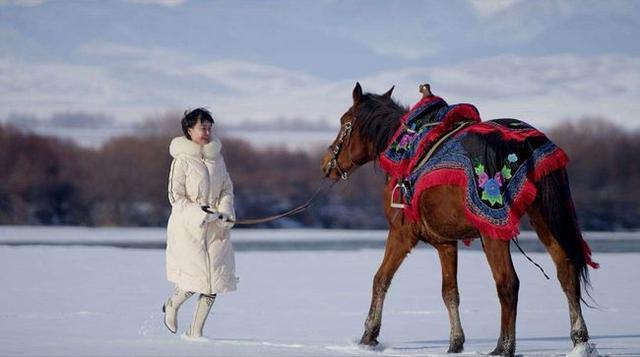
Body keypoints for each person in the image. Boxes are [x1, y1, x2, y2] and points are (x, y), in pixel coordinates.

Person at [162, 108, 238, 338]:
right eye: (202, 127)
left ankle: (195, 333)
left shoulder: (218, 159)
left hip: (216, 230)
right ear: (189, 130)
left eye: (209, 127)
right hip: (189, 229)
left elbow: (226, 188)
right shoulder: (182, 161)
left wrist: (224, 210)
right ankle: (172, 305)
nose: (206, 131)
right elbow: (176, 197)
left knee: (213, 280)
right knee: (194, 279)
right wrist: (200, 212)